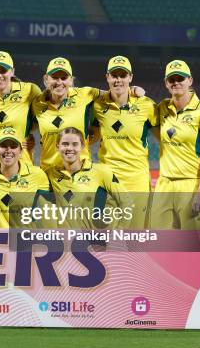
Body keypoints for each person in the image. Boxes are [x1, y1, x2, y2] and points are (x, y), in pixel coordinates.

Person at [32, 57, 147, 171]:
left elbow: (114, 94)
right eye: (54, 77)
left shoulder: (85, 95)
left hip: (81, 173)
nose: (59, 82)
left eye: (64, 78)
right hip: (49, 173)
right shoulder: (36, 103)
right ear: (46, 79)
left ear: (71, 80)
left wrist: (132, 89)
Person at [90, 56, 158, 229]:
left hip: (138, 182)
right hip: (109, 183)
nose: (118, 79)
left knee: (136, 241)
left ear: (130, 77)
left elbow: (166, 138)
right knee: (107, 241)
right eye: (114, 75)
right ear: (107, 77)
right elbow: (90, 135)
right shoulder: (97, 106)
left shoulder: (147, 106)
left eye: (123, 75)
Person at [151, 60, 200, 230]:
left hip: (192, 184)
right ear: (166, 83)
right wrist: (134, 91)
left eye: (180, 78)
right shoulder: (162, 108)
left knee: (193, 246)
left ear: (190, 80)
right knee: (159, 244)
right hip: (164, 184)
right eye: (171, 79)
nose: (176, 82)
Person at [44, 127, 133, 230]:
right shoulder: (50, 174)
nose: (69, 148)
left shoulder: (100, 171)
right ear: (57, 146)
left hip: (96, 242)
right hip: (66, 242)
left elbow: (127, 202)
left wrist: (118, 234)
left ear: (82, 146)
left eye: (75, 144)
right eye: (65, 144)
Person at [0, 127, 49, 228]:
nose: (8, 150)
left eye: (13, 146)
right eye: (3, 146)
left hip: (23, 240)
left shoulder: (37, 174)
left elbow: (45, 213)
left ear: (20, 151)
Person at [0, 51, 42, 164]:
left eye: (3, 71)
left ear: (12, 71)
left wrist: (31, 136)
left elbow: (46, 117)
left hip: (21, 164)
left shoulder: (30, 90)